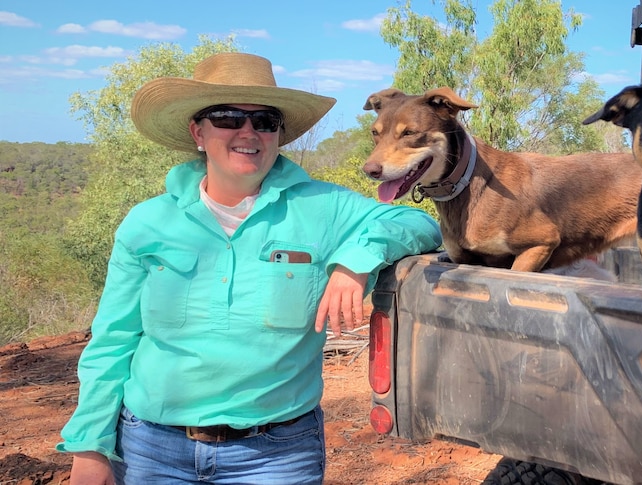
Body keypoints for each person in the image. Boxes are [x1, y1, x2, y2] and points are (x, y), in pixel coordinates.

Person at [56, 52, 442, 484]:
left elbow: (419, 222)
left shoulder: (322, 207)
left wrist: (352, 262)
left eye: (265, 121)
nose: (248, 132)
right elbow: (113, 340)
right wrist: (90, 448)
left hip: (276, 456)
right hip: (152, 450)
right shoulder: (148, 223)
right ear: (197, 132)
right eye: (226, 117)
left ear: (277, 134)